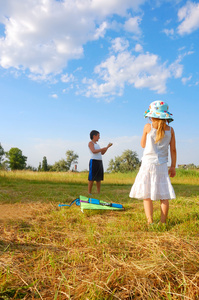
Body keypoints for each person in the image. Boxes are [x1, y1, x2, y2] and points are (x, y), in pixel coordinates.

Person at [129, 100, 177, 224]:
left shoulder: (147, 127)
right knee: (164, 196)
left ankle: (150, 221)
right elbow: (173, 150)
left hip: (147, 164)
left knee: (147, 194)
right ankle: (163, 222)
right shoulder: (170, 130)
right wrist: (173, 166)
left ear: (152, 115)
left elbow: (143, 144)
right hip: (162, 165)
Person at [88, 130, 112, 194]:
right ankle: (89, 193)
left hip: (99, 162)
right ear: (94, 136)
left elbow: (102, 153)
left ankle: (98, 192)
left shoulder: (97, 145)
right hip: (93, 161)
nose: (99, 137)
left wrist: (107, 147)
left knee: (98, 178)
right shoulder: (91, 143)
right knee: (91, 178)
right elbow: (93, 151)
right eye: (98, 136)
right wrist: (102, 149)